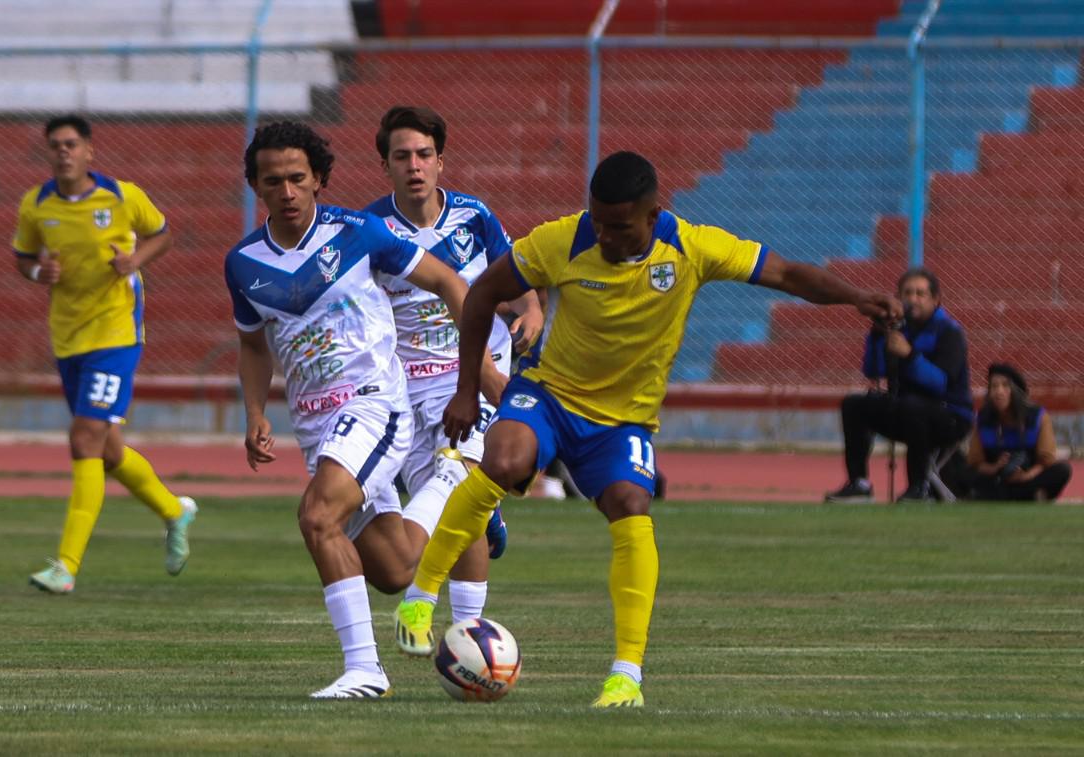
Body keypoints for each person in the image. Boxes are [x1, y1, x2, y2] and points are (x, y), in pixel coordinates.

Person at [394, 151, 901, 707]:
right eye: (598, 221)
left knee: (632, 502)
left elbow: (784, 273)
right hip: (548, 394)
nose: (605, 236)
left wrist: (855, 297)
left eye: (620, 227)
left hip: (624, 419)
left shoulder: (692, 247)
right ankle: (420, 599)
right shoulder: (562, 239)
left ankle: (626, 676)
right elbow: (485, 292)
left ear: (653, 213)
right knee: (506, 461)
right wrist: (468, 389)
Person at [227, 120, 493, 699]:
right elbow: (252, 345)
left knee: (316, 516)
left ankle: (365, 672)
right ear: (257, 188)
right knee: (395, 571)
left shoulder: (359, 233)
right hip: (316, 426)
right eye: (273, 181)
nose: (288, 191)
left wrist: (481, 372)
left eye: (299, 178)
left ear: (319, 179)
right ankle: (451, 477)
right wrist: (255, 413)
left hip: (375, 406)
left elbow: (448, 280)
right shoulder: (243, 262)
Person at [364, 106, 542, 643]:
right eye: (402, 157)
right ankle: (485, 530)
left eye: (424, 155)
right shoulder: (370, 231)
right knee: (453, 515)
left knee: (456, 477)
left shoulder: (474, 217)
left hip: (475, 370)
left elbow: (514, 279)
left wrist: (531, 310)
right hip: (410, 385)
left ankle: (452, 628)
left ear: (441, 161)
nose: (414, 166)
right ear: (386, 166)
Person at [13, 114, 197, 595]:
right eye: (54, 145)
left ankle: (66, 566)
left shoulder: (122, 196)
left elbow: (164, 233)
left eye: (71, 144)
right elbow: (23, 258)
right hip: (68, 339)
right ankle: (174, 511)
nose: (63, 152)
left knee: (84, 438)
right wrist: (39, 274)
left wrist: (134, 260)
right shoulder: (35, 206)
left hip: (116, 334)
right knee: (108, 450)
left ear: (89, 150)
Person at [825, 268, 973, 504]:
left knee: (914, 407)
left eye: (920, 294)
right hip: (906, 410)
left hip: (950, 415)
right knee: (854, 405)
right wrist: (876, 336)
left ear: (935, 300)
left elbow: (940, 383)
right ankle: (859, 483)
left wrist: (910, 355)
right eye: (907, 293)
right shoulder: (898, 329)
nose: (913, 299)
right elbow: (873, 371)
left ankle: (919, 487)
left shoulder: (949, 332)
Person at [967, 363, 1073, 502]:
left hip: (1029, 477)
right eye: (994, 386)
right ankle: (1027, 495)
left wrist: (1026, 475)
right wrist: (995, 467)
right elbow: (976, 462)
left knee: (1062, 470)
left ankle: (1010, 495)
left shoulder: (1038, 417)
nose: (999, 391)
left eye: (1005, 386)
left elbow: (1046, 459)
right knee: (962, 471)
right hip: (998, 477)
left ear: (1016, 390)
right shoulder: (983, 419)